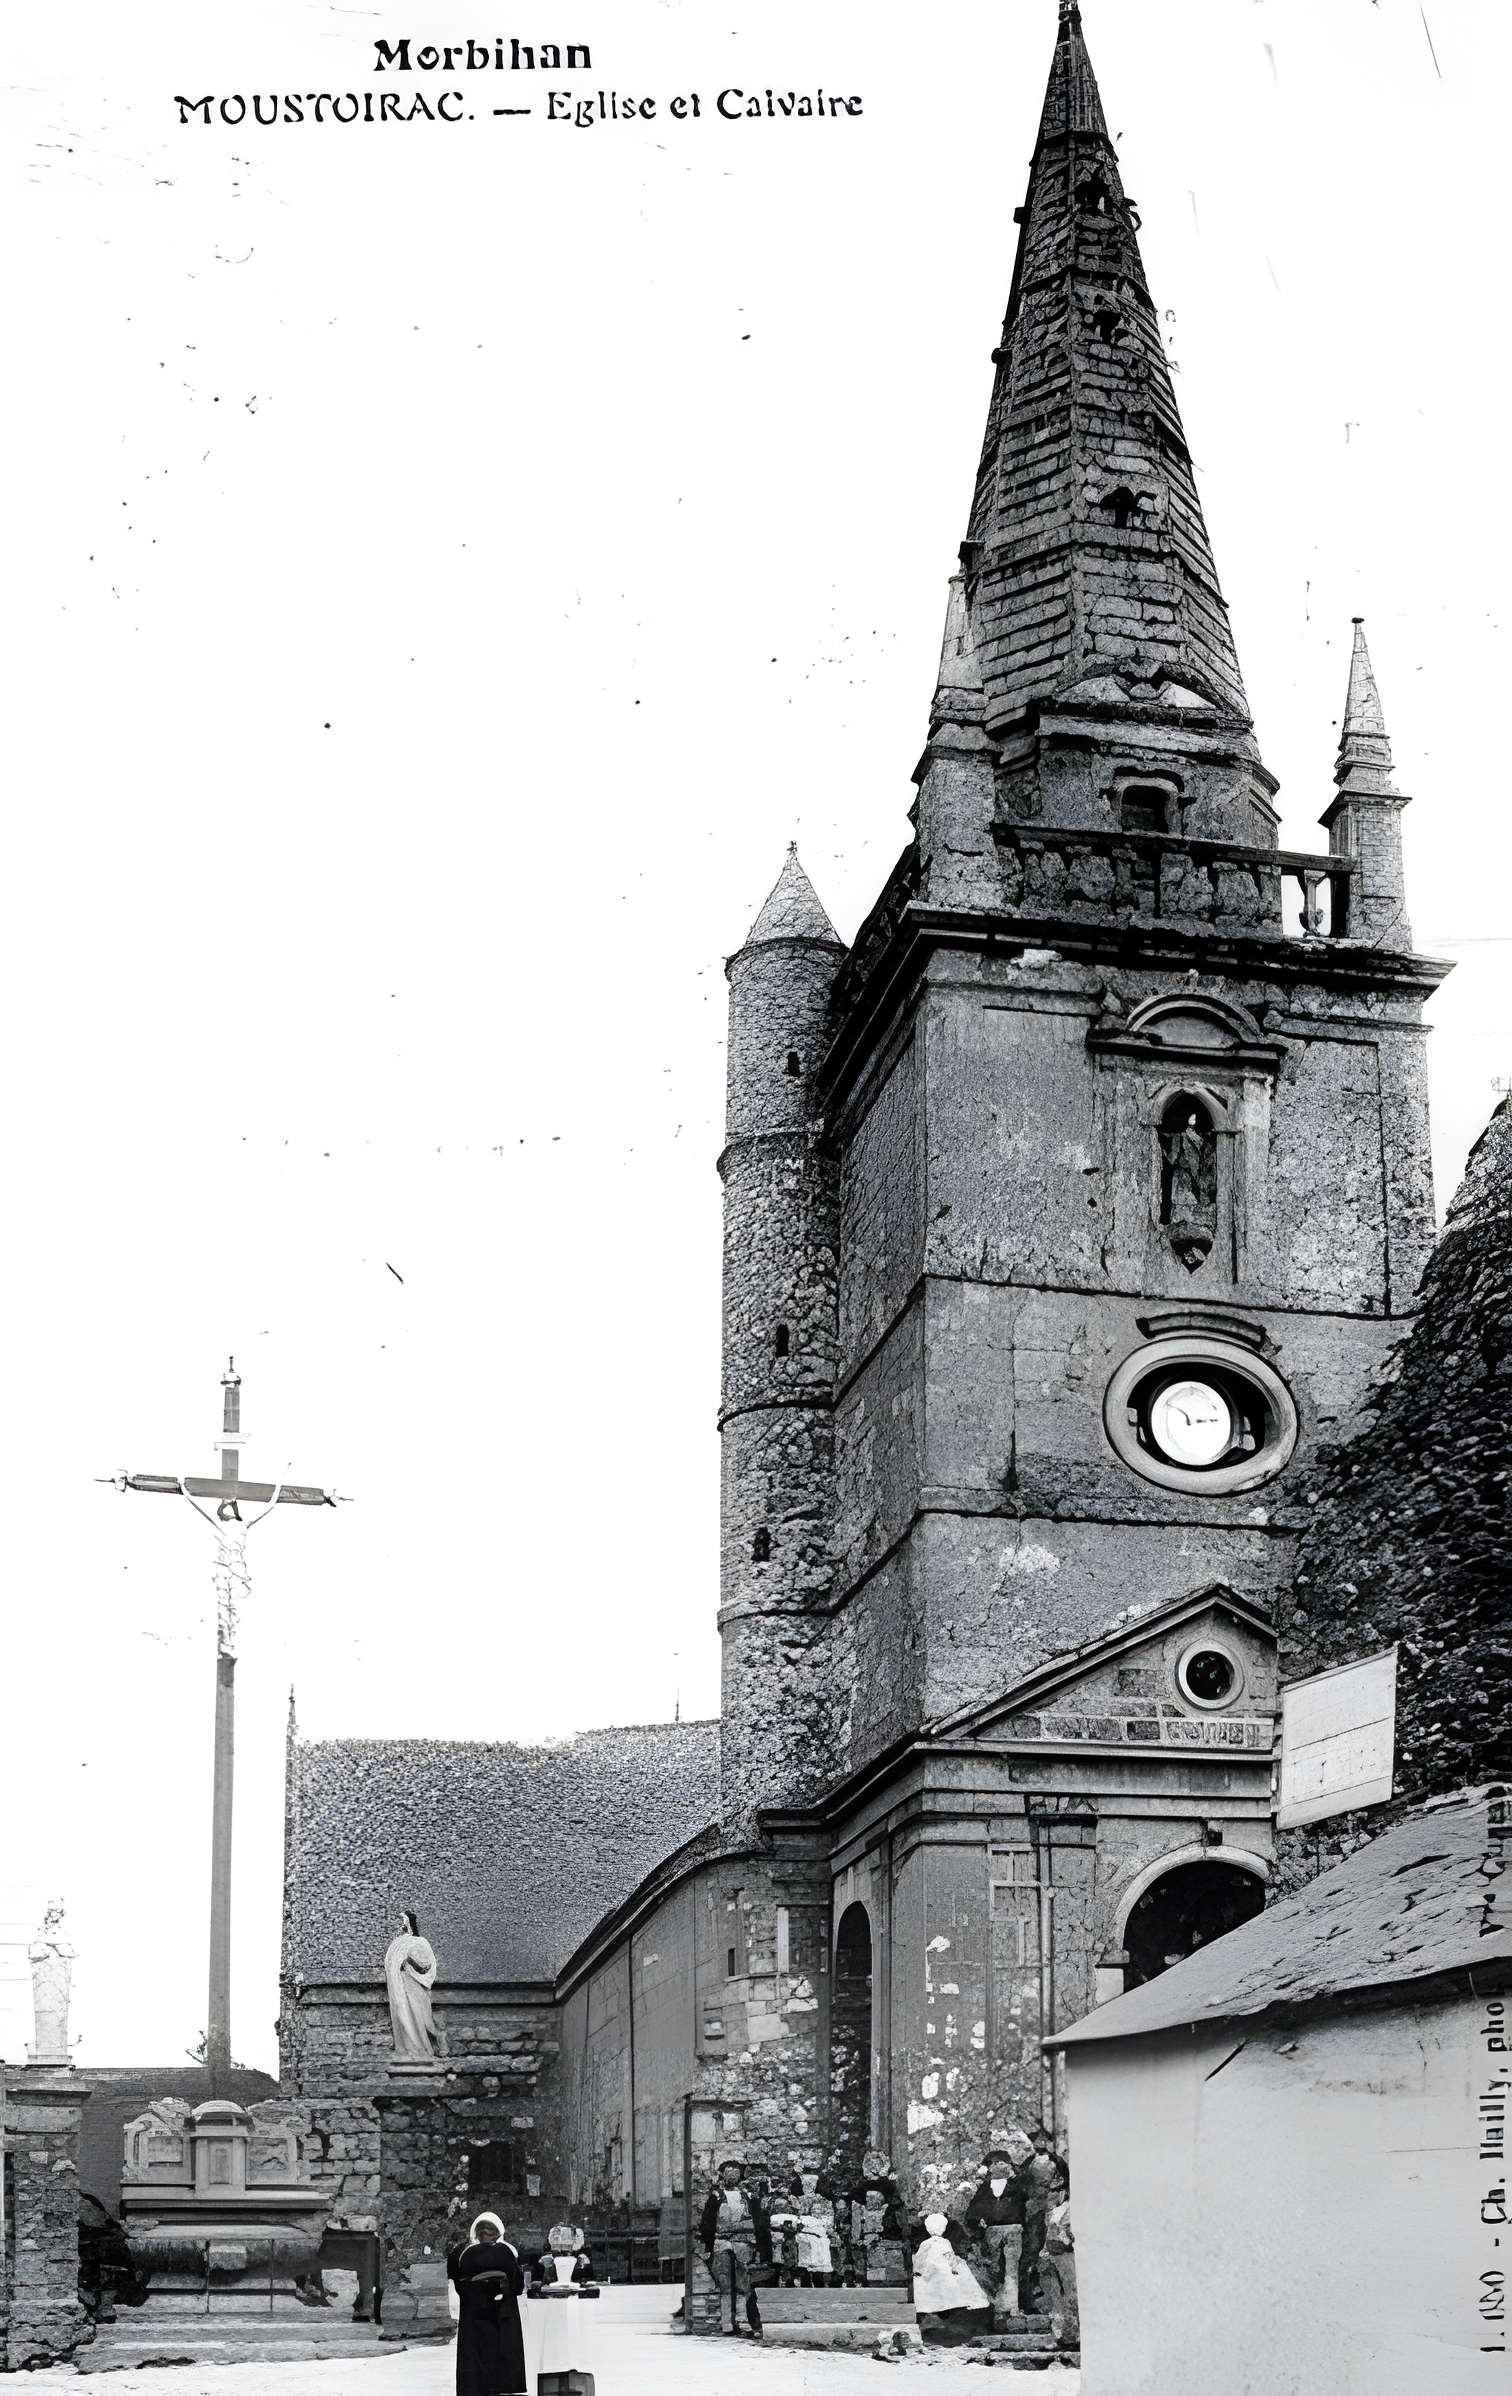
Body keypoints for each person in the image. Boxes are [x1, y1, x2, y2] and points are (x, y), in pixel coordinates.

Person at [448, 2213, 526, 2396]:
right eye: (483, 2230)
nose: (485, 2234)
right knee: (492, 2356)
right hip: (490, 2312)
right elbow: (517, 2286)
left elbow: (516, 2284)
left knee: (489, 2356)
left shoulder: (469, 2254)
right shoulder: (500, 2252)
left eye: (488, 2230)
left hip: (488, 2313)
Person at [698, 2155, 770, 2338]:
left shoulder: (748, 2196)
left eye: (736, 2172)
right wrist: (707, 2247)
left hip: (744, 2244)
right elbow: (706, 2223)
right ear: (722, 2175)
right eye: (728, 2173)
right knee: (725, 2286)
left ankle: (756, 2325)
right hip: (721, 2244)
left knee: (747, 2286)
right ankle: (728, 2325)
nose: (732, 2176)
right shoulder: (715, 2197)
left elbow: (760, 2221)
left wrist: (762, 2249)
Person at [963, 2145, 1027, 2320]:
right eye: (996, 2163)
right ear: (990, 2168)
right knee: (995, 2269)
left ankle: (1013, 2307)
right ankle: (999, 2306)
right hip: (992, 2232)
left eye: (1004, 2163)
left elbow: (1027, 2197)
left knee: (1012, 2270)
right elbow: (972, 2211)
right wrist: (979, 2220)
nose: (1000, 2166)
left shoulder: (1017, 2185)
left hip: (1013, 2229)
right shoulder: (985, 2188)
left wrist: (1017, 2176)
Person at [911, 2211, 991, 2347]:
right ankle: (944, 2314)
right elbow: (950, 2257)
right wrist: (954, 2268)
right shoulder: (945, 2242)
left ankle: (937, 2313)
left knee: (931, 2287)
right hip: (941, 2271)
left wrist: (917, 2270)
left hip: (931, 2271)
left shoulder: (926, 2243)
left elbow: (920, 2258)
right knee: (952, 2282)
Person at [1019, 2126, 1070, 2313]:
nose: (1038, 2143)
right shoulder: (1028, 2163)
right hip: (1033, 2211)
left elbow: (1066, 2181)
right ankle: (1030, 2298)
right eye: (1035, 2140)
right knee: (1031, 2250)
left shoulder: (1057, 2162)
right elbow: (1022, 2186)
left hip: (1050, 2209)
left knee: (1049, 2251)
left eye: (1041, 2139)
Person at [383, 1910, 440, 2061]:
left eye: (404, 1922)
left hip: (415, 1985)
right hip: (400, 1986)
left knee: (419, 2017)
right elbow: (390, 1964)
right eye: (400, 1922)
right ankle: (407, 2049)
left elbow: (427, 1966)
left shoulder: (420, 1942)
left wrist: (408, 1961)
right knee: (403, 2015)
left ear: (410, 1923)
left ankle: (423, 2050)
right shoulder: (397, 1944)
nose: (401, 1925)